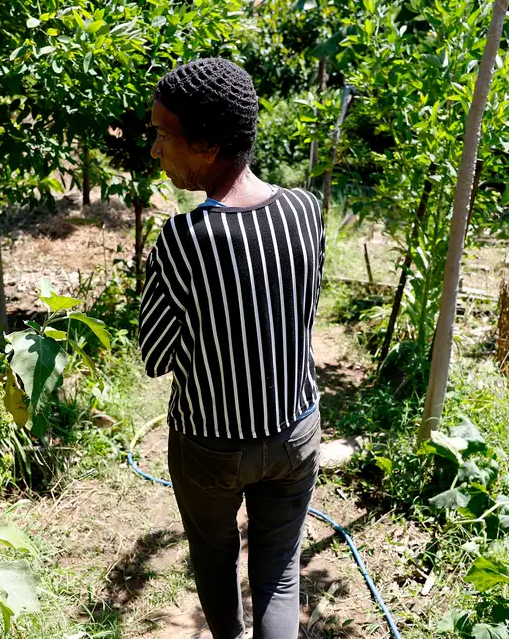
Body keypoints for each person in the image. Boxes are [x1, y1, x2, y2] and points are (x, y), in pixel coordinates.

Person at [138, 57, 324, 639]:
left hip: (209, 448)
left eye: (163, 136)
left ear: (209, 146)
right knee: (278, 573)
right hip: (293, 430)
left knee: (215, 562)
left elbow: (156, 356)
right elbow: (300, 310)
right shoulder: (305, 211)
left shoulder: (183, 239)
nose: (155, 151)